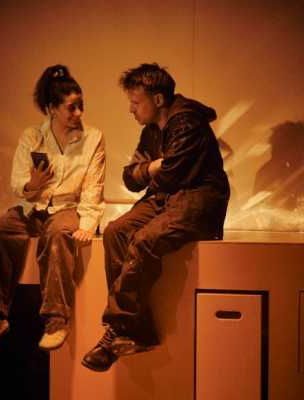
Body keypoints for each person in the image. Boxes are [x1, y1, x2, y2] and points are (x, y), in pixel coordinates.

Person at [82, 63, 229, 371]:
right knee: (115, 231)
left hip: (199, 198)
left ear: (158, 99)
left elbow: (173, 174)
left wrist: (153, 170)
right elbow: (131, 179)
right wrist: (152, 167)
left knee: (145, 239)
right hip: (168, 197)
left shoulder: (187, 123)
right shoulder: (151, 130)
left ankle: (118, 329)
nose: (131, 110)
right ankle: (138, 331)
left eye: (136, 103)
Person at [0, 64, 105, 351]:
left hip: (66, 207)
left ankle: (57, 320)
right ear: (52, 108)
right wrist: (33, 184)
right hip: (31, 207)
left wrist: (86, 225)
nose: (78, 114)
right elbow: (17, 184)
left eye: (81, 106)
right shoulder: (32, 136)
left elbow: (93, 187)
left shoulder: (93, 138)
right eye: (71, 108)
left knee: (58, 236)